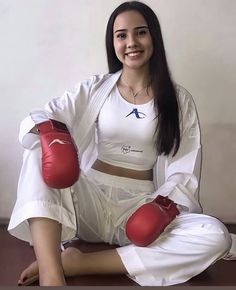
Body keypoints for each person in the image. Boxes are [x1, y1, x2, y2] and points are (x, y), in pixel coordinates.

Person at [8, 1, 232, 286]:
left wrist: (163, 206)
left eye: (140, 33)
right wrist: (53, 136)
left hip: (139, 208)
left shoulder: (178, 100)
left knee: (215, 236)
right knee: (39, 145)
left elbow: (184, 170)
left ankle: (77, 263)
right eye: (121, 35)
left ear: (154, 38)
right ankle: (52, 274)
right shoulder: (96, 88)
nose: (131, 43)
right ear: (112, 41)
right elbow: (43, 116)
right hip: (88, 201)